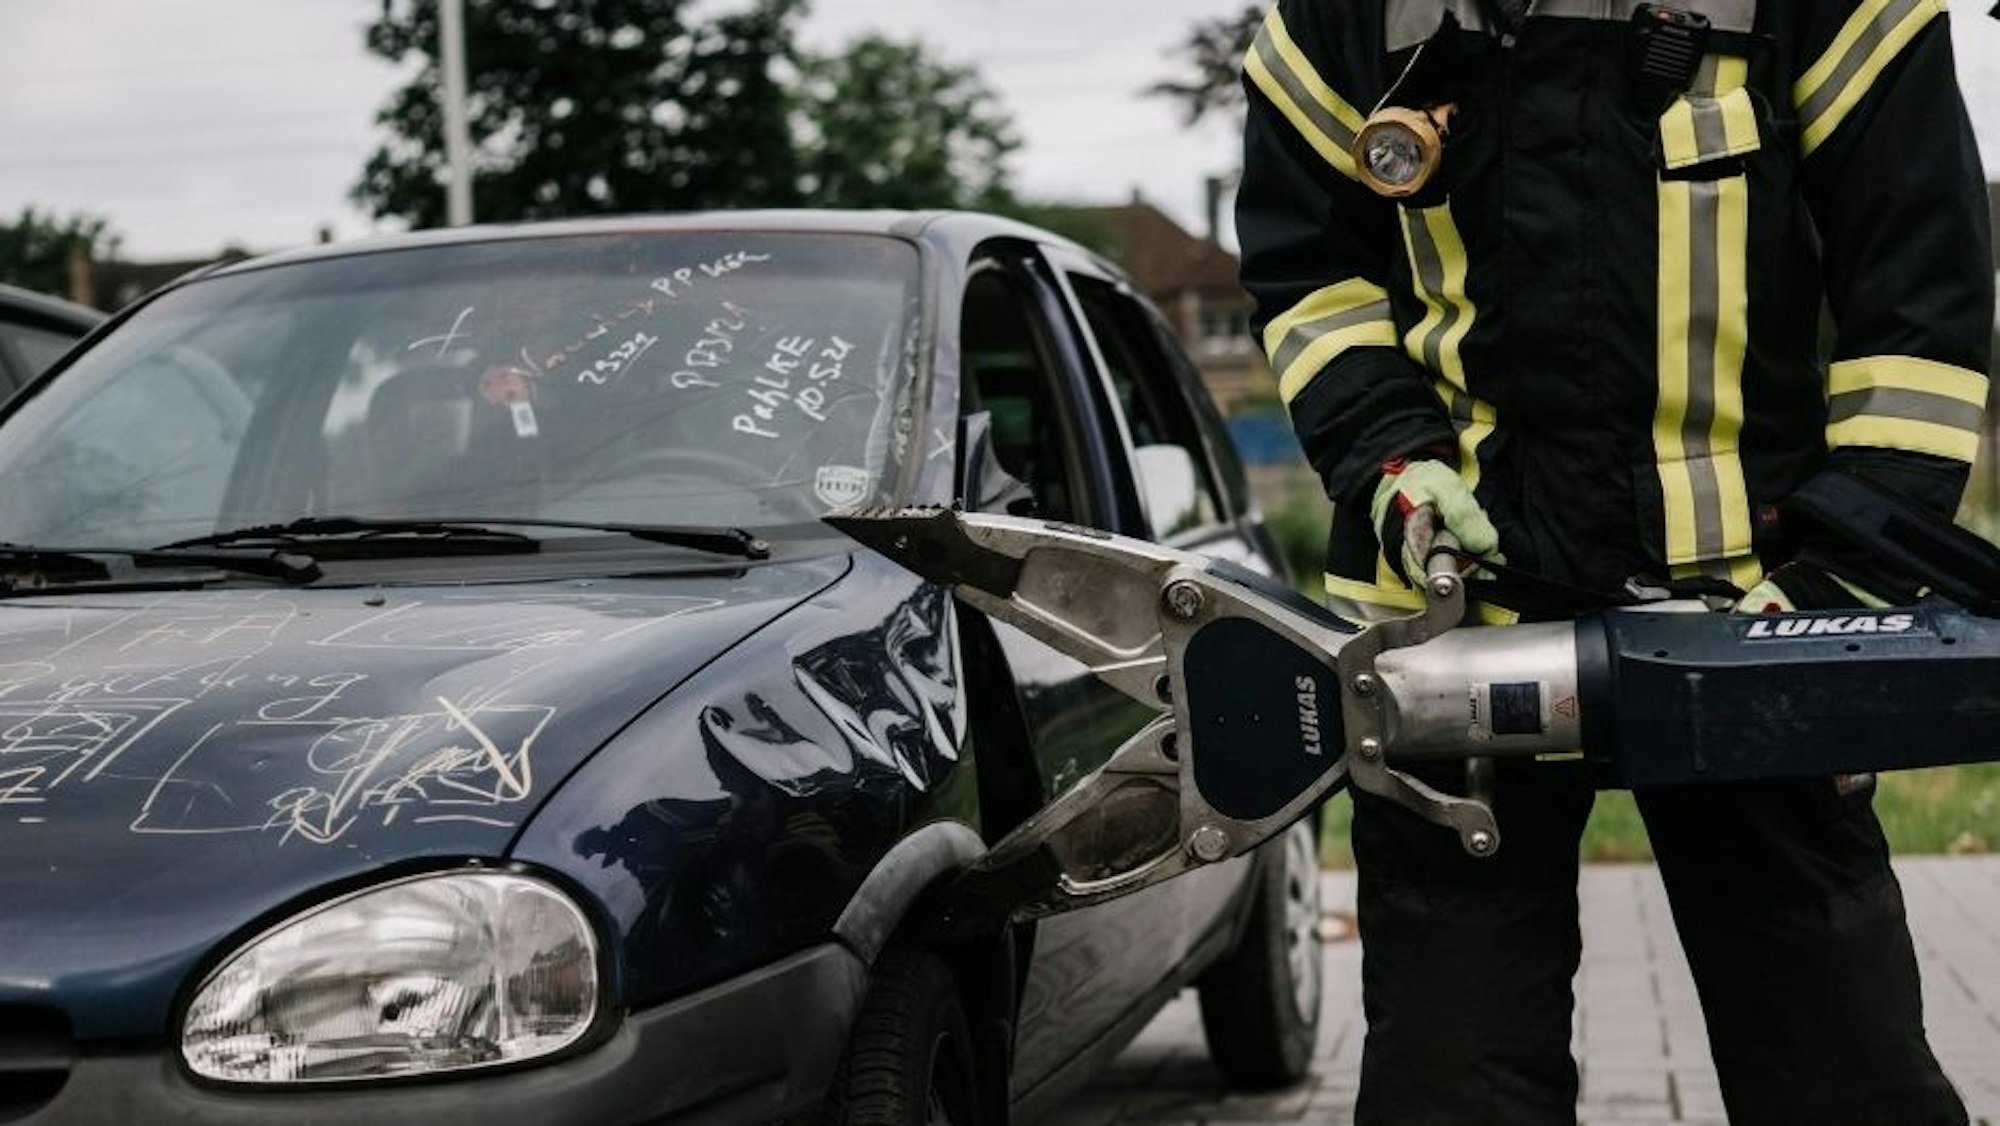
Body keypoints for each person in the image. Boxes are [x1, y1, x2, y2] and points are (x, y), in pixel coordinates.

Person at [1235, 2, 1994, 1124]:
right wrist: (1394, 461)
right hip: (1452, 621)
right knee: (1452, 1087)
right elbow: (1308, 274)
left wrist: (1839, 578)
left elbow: (1918, 298)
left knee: (1837, 1069)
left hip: (1752, 621)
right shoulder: (1339, 16)